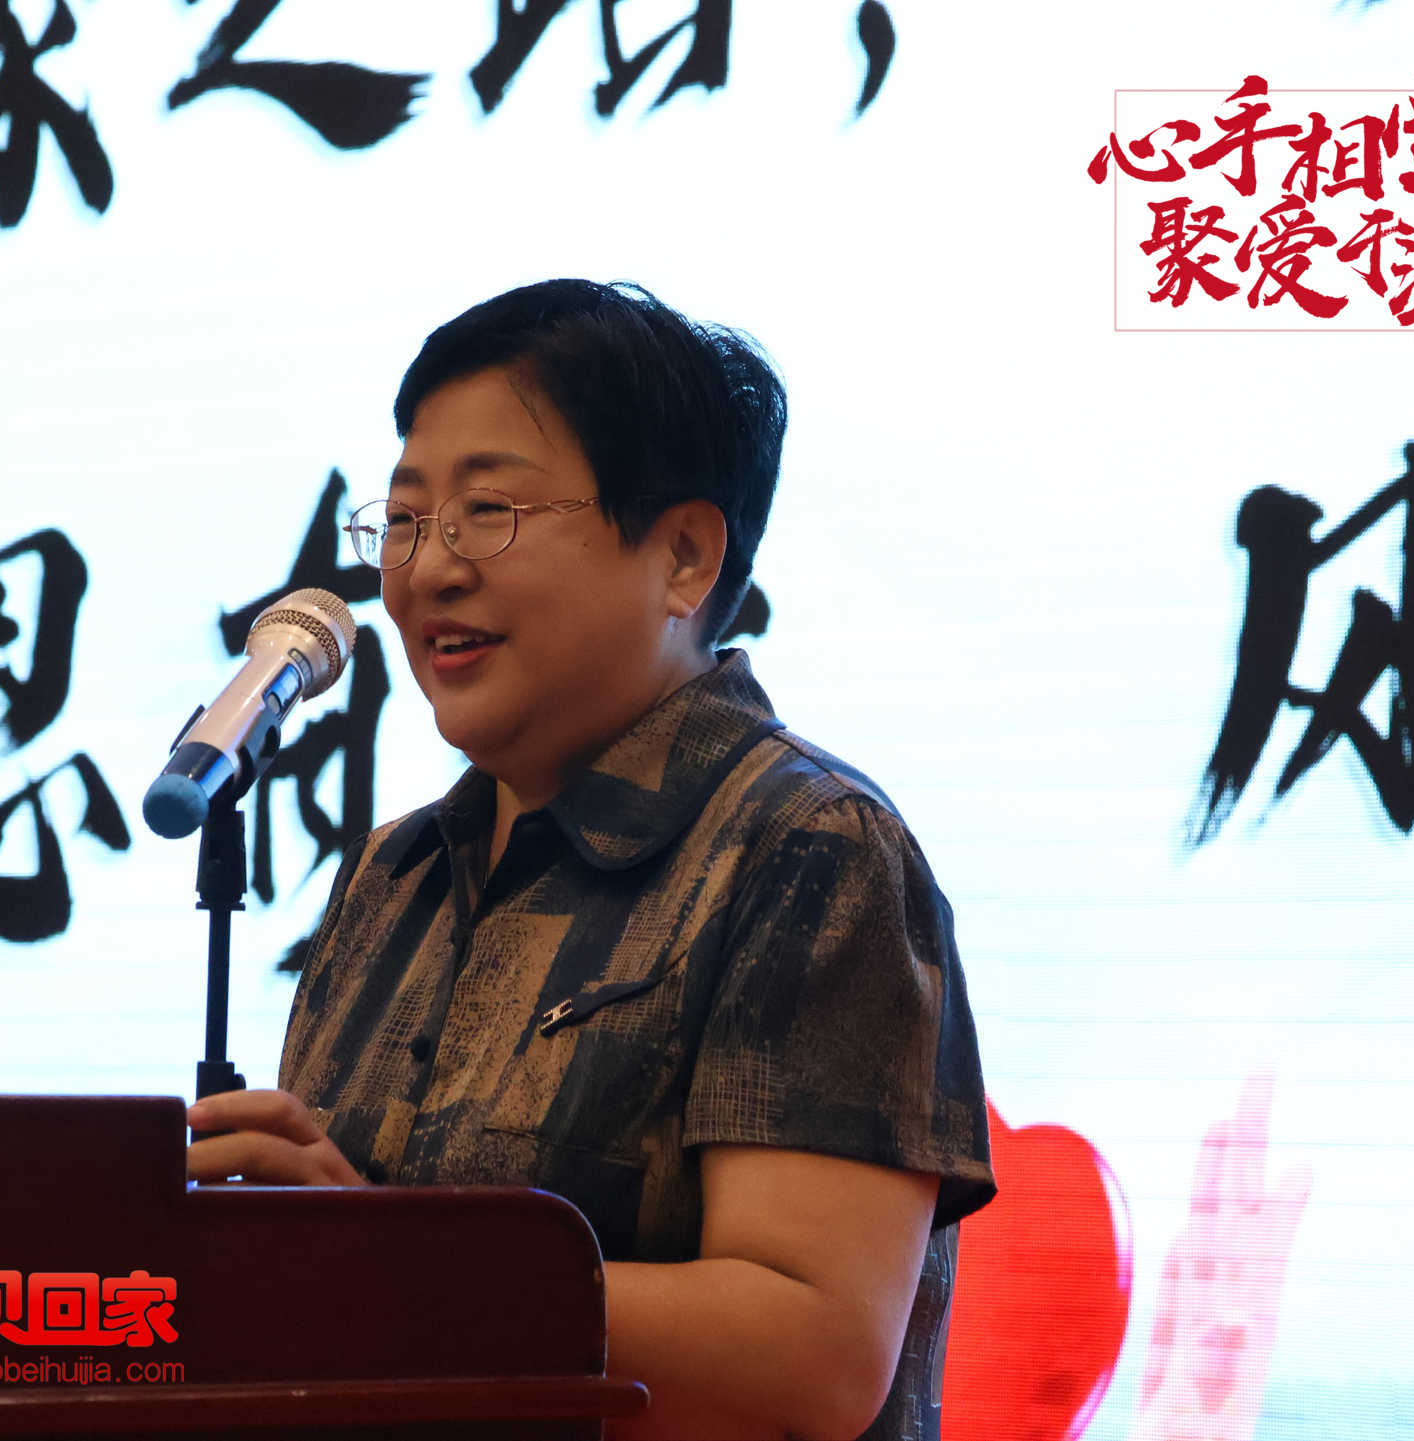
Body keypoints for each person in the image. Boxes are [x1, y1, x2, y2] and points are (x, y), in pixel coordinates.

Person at [184, 279, 995, 1440]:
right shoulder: (394, 874)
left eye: (488, 511)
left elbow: (810, 1354)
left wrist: (382, 1266)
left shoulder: (806, 847)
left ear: (684, 556)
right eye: (404, 520)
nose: (428, 570)